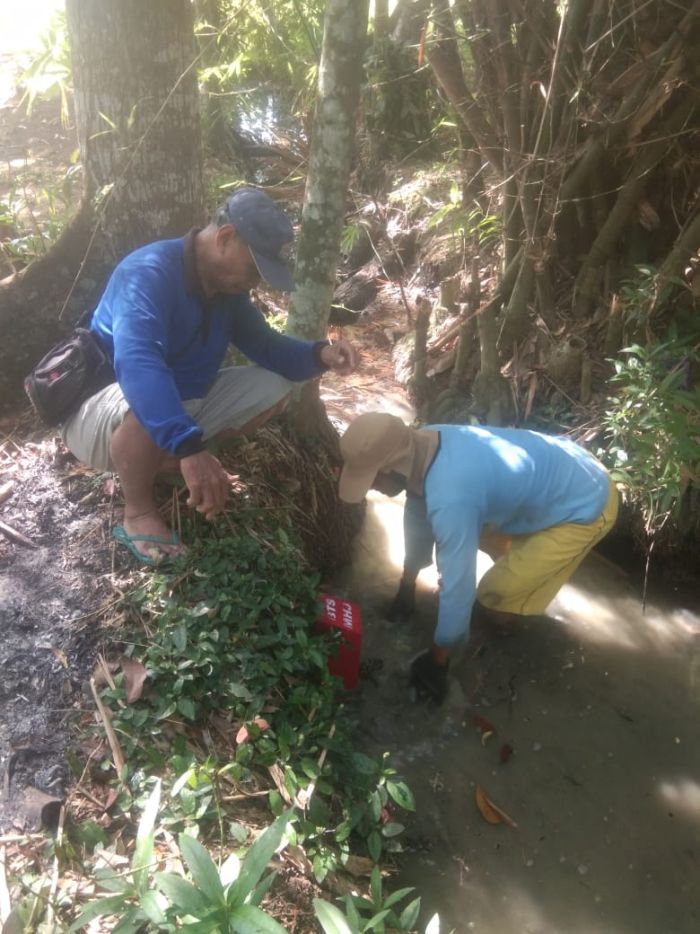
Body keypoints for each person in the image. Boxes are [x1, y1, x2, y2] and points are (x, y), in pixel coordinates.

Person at [61, 187, 358, 564]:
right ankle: (138, 511)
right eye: (254, 269)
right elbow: (139, 364)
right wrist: (190, 447)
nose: (257, 282)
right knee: (145, 405)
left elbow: (267, 347)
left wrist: (320, 353)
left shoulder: (228, 294)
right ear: (225, 237)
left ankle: (166, 460)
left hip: (176, 404)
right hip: (98, 414)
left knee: (277, 384)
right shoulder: (148, 272)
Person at [338, 413, 618, 703]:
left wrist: (438, 660)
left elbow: (458, 586)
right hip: (555, 480)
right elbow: (418, 522)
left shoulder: (452, 496)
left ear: (393, 467)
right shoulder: (425, 441)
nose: (371, 488)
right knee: (469, 534)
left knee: (493, 597)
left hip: (585, 504)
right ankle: (524, 576)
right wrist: (406, 585)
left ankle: (511, 618)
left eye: (373, 479)